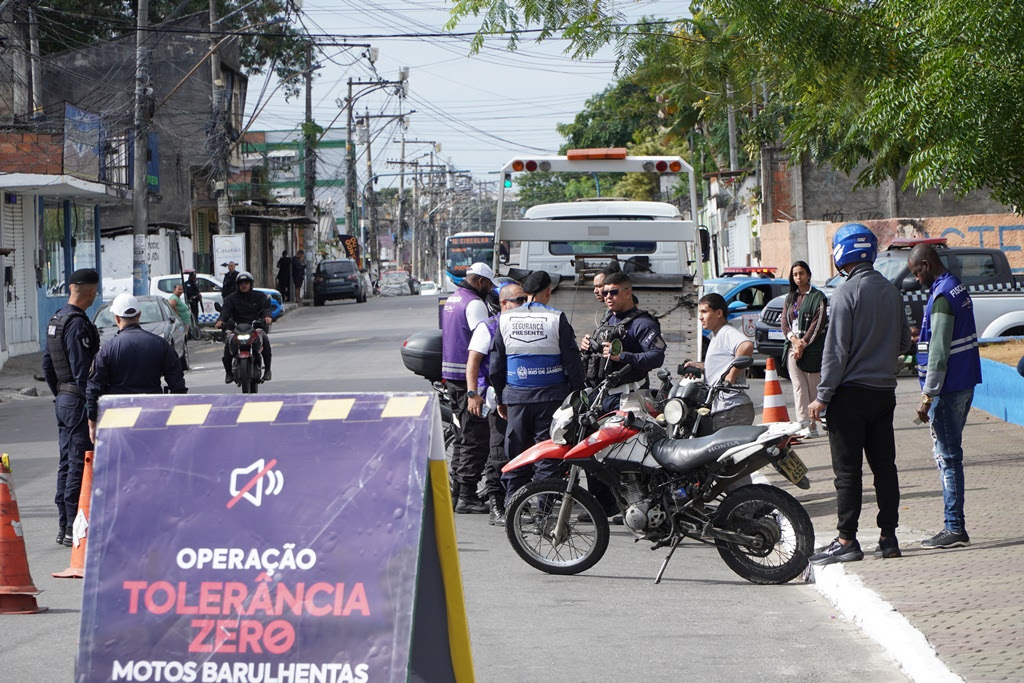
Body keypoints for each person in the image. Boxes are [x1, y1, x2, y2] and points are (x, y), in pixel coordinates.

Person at [808, 223, 912, 565]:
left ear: (842, 253)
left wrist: (822, 396)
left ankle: (846, 539)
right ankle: (889, 537)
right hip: (883, 394)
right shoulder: (891, 291)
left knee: (848, 472)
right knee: (885, 467)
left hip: (849, 396)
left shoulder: (844, 293)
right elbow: (903, 344)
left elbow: (835, 352)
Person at [908, 243, 982, 549]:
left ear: (926, 265)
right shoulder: (956, 288)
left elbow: (938, 354)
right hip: (963, 383)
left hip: (948, 389)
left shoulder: (941, 297)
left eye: (915, 272)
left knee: (948, 457)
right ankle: (954, 526)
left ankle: (954, 527)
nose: (915, 279)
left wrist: (927, 396)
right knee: (950, 453)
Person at [490, 270, 586, 501]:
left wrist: (502, 398)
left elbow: (495, 365)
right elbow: (572, 362)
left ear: (525, 292)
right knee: (548, 455)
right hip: (552, 399)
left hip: (517, 398)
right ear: (548, 292)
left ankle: (514, 505)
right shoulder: (556, 318)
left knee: (516, 455)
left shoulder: (506, 319)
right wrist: (576, 397)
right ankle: (543, 512)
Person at [41, 268, 100, 547]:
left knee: (66, 462)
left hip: (64, 399)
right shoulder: (77, 324)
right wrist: (90, 406)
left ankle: (64, 524)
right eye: (95, 291)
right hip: (76, 399)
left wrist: (61, 394)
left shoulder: (56, 319)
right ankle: (71, 526)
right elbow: (82, 370)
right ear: (91, 291)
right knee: (77, 462)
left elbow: (47, 366)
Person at [465, 281, 527, 525]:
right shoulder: (488, 327)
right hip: (497, 398)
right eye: (519, 301)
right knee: (499, 452)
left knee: (522, 451)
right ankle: (496, 505)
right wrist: (472, 394)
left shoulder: (525, 325)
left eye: (526, 300)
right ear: (504, 303)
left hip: (524, 397)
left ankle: (518, 501)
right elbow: (473, 362)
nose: (525, 305)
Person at [87, 294, 187, 443]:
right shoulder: (160, 345)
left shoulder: (107, 350)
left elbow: (94, 388)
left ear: (116, 318)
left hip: (118, 416)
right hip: (152, 414)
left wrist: (92, 422)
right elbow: (177, 384)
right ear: (139, 315)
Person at [441, 262, 495, 514]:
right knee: (476, 438)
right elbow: (483, 341)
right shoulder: (474, 303)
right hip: (468, 380)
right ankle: (467, 496)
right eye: (489, 285)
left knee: (463, 436)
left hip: (451, 377)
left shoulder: (452, 299)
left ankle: (456, 493)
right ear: (481, 282)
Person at [581, 272, 666, 409]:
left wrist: (621, 356)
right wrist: (588, 345)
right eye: (605, 293)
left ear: (627, 293)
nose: (608, 297)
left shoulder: (643, 324)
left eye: (613, 292)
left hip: (628, 398)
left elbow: (657, 357)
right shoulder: (607, 318)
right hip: (601, 395)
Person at [683, 293, 755, 429]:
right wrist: (701, 367)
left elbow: (746, 346)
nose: (700, 317)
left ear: (718, 313)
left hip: (731, 408)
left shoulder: (726, 332)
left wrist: (732, 375)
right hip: (723, 408)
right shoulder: (716, 335)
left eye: (704, 312)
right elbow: (723, 364)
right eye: (699, 312)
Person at [781, 261, 828, 437]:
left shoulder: (818, 297)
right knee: (798, 387)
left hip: (812, 350)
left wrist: (803, 343)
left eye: (801, 273)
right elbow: (784, 323)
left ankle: (814, 426)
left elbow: (818, 324)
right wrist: (794, 341)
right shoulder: (790, 298)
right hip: (792, 348)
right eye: (795, 274)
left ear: (808, 274)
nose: (798, 277)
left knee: (812, 388)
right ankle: (803, 424)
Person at [216, 271, 274, 383]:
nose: (244, 285)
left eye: (246, 283)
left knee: (265, 339)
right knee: (228, 342)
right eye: (241, 283)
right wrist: (221, 320)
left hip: (255, 327)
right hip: (237, 328)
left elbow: (266, 308)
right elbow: (225, 311)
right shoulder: (231, 298)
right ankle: (228, 372)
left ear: (250, 284)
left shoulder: (260, 296)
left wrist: (267, 316)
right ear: (237, 285)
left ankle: (267, 370)